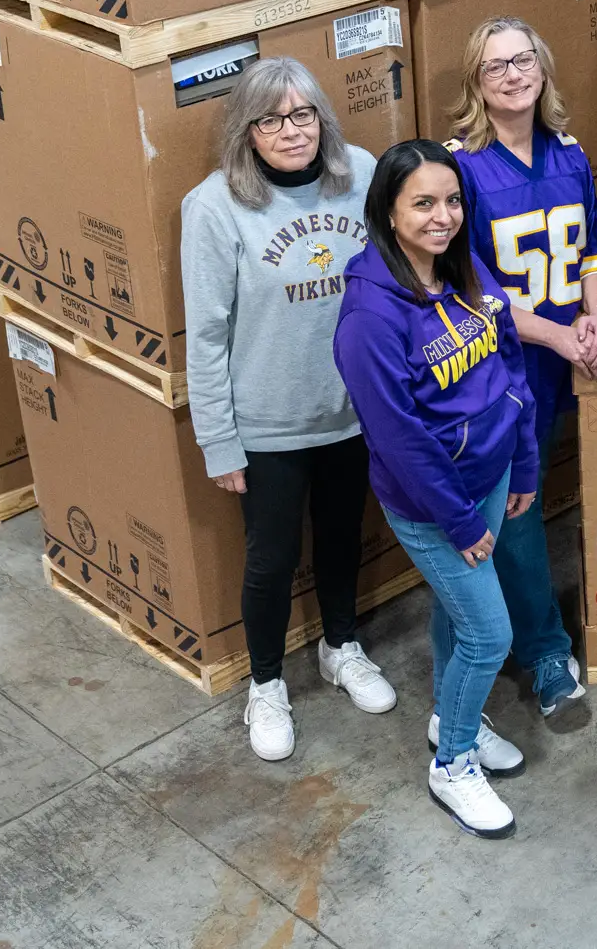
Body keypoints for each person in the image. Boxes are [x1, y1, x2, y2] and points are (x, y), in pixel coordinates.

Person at [182, 57, 395, 764]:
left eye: (303, 114)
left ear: (323, 120)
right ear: (246, 131)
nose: (290, 130)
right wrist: (219, 440)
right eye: (270, 119)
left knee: (341, 536)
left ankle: (340, 646)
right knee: (271, 560)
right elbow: (206, 334)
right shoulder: (214, 207)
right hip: (269, 423)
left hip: (353, 409)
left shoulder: (360, 172)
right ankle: (266, 684)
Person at [334, 140, 540, 839]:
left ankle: (450, 718)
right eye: (423, 202)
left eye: (452, 200)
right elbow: (399, 439)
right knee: (490, 633)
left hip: (491, 473)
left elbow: (510, 367)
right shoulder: (369, 316)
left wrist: (528, 460)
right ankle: (451, 762)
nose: (443, 216)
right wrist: (457, 521)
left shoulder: (464, 267)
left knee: (459, 616)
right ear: (388, 211)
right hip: (431, 503)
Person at [446, 15, 597, 720]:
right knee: (519, 505)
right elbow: (472, 290)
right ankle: (546, 648)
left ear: (543, 69)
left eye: (523, 61)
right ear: (477, 83)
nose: (513, 74)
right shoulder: (460, 168)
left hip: (569, 349)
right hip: (507, 366)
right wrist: (559, 335)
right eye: (496, 66)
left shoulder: (570, 154)